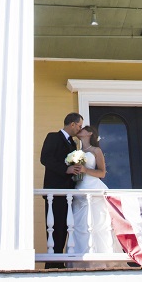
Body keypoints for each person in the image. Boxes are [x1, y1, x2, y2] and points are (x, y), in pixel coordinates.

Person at [67, 125, 123, 269]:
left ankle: (103, 259)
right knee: (81, 224)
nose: (80, 131)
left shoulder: (96, 150)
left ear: (90, 133)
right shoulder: (77, 151)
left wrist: (85, 169)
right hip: (80, 188)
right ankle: (82, 259)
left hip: (93, 187)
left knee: (98, 223)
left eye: (83, 129)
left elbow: (102, 173)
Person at [40, 112, 84, 268]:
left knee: (65, 228)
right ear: (72, 124)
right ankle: (52, 264)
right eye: (79, 126)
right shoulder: (53, 137)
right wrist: (66, 170)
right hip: (55, 191)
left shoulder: (73, 144)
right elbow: (45, 158)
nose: (79, 129)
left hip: (69, 194)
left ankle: (60, 262)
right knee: (55, 227)